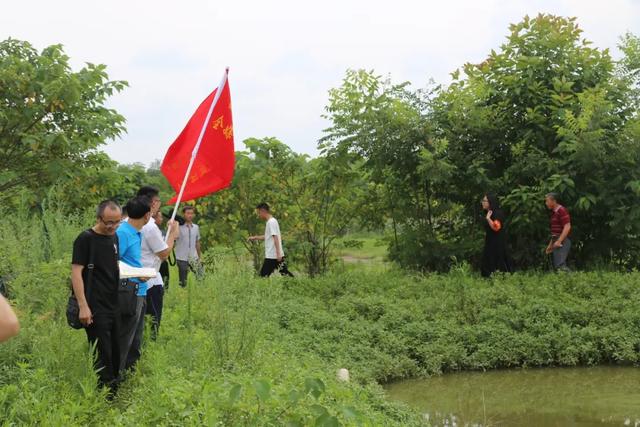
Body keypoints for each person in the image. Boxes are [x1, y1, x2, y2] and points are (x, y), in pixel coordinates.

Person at [71, 200, 122, 395]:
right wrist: (83, 306)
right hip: (94, 305)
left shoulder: (115, 237)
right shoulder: (85, 239)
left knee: (116, 349)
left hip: (113, 303)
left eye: (116, 222)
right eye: (108, 222)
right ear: (99, 218)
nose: (112, 227)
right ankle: (105, 394)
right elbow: (76, 273)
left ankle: (114, 387)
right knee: (103, 353)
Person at [137, 186, 179, 340]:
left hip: (130, 281)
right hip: (150, 282)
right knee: (150, 324)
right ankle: (146, 351)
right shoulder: (149, 227)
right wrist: (173, 234)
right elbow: (164, 254)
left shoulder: (125, 222)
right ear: (153, 203)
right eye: (159, 201)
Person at [116, 196, 151, 372]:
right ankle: (115, 379)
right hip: (129, 293)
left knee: (136, 340)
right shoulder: (123, 233)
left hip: (140, 290)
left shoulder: (136, 232)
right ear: (147, 215)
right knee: (125, 339)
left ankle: (129, 376)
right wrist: (138, 274)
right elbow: (114, 264)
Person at [248, 203, 294, 277]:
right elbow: (268, 236)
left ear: (263, 211)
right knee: (285, 273)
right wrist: (255, 237)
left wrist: (278, 253)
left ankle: (295, 284)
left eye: (259, 213)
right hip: (275, 255)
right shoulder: (271, 221)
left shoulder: (271, 222)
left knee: (263, 276)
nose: (259, 215)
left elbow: (275, 237)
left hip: (272, 256)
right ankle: (295, 284)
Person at [480, 194, 512, 277]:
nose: (482, 203)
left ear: (490, 202)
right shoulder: (488, 213)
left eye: (484, 201)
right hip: (490, 241)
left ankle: (500, 277)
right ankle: (489, 278)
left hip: (498, 242)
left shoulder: (498, 213)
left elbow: (496, 227)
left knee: (497, 259)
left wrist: (488, 219)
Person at [175, 206, 201, 287]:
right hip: (182, 258)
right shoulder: (178, 227)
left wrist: (199, 257)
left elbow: (197, 242)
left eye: (192, 213)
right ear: (184, 214)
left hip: (194, 257)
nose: (190, 215)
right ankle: (183, 295)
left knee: (201, 277)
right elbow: (174, 238)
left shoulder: (196, 227)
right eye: (188, 213)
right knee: (183, 282)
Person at [545, 192, 572, 271]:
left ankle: (574, 281)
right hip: (556, 240)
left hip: (563, 241)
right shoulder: (554, 213)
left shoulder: (562, 210)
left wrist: (559, 241)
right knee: (558, 266)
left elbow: (567, 226)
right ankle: (568, 282)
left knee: (560, 266)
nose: (546, 203)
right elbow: (555, 232)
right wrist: (551, 245)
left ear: (554, 201)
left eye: (547, 201)